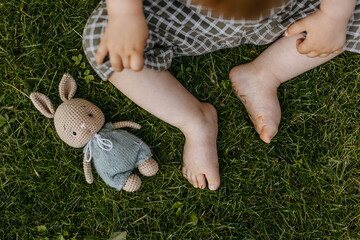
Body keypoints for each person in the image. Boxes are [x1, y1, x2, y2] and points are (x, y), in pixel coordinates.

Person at [83, 0, 360, 190]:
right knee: (105, 45)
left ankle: (265, 74)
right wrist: (125, 16)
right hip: (191, 18)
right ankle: (195, 121)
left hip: (286, 13)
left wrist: (334, 16)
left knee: (345, 18)